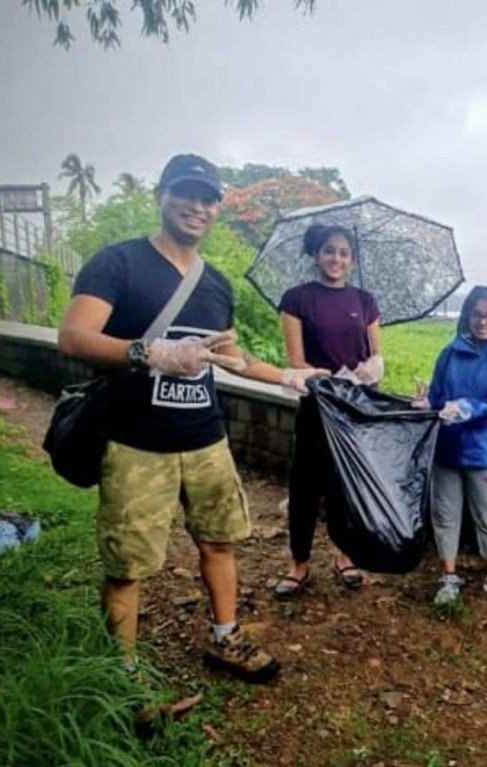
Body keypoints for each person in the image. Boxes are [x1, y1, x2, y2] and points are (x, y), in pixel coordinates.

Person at [57, 153, 324, 680]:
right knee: (127, 564)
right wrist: (148, 353)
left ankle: (225, 637)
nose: (196, 207)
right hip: (135, 441)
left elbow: (233, 358)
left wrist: (293, 376)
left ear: (217, 208)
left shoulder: (214, 284)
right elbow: (73, 337)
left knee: (219, 540)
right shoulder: (119, 263)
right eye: (185, 194)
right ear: (162, 196)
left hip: (205, 439)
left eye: (207, 198)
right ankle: (123, 674)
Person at [273, 223, 384, 599]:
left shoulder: (365, 301)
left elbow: (376, 354)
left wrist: (372, 369)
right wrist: (320, 377)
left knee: (347, 484)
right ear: (316, 254)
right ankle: (299, 564)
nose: (336, 258)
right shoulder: (297, 299)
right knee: (304, 486)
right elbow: (296, 361)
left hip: (354, 409)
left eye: (343, 253)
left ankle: (344, 555)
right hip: (317, 406)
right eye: (329, 250)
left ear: (352, 260)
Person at [414, 286, 487, 609]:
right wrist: (426, 403)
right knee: (445, 515)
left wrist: (465, 408)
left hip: (485, 452)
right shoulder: (449, 353)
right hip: (447, 450)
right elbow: (437, 397)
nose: (482, 322)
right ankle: (449, 576)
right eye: (476, 314)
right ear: (467, 316)